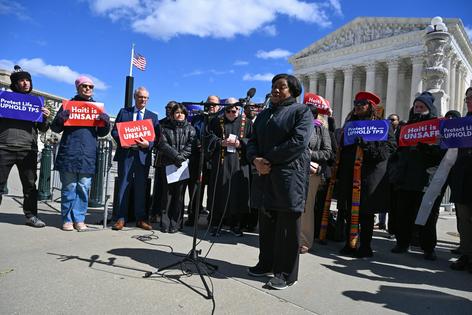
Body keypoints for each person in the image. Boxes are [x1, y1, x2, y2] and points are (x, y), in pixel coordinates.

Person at [246, 73, 313, 290]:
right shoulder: (264, 115)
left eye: (281, 87)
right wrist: (255, 159)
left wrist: (268, 159)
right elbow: (252, 140)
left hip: (288, 177)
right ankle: (266, 263)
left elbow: (298, 142)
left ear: (293, 90)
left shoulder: (301, 111)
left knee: (287, 228)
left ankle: (286, 274)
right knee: (266, 224)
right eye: (274, 86)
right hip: (264, 175)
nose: (276, 90)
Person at [335, 92, 396, 258]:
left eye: (362, 103)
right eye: (356, 102)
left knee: (366, 213)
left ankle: (365, 246)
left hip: (369, 175)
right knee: (349, 211)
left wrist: (368, 147)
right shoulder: (350, 125)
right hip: (350, 173)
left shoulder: (382, 125)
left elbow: (389, 149)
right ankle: (351, 243)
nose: (358, 106)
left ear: (370, 106)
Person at [51, 76, 111, 231]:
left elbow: (102, 133)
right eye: (84, 86)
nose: (87, 89)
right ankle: (67, 219)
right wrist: (60, 119)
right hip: (69, 152)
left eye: (90, 86)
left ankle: (79, 219)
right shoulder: (68, 105)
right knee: (69, 187)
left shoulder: (97, 107)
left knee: (83, 188)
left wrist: (106, 123)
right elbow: (55, 128)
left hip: (87, 154)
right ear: (77, 87)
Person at [390, 91, 444, 260]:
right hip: (406, 177)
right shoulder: (406, 127)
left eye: (422, 107)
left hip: (425, 177)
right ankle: (402, 242)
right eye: (416, 106)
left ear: (429, 108)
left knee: (427, 214)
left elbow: (441, 151)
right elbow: (398, 149)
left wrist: (426, 149)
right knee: (403, 212)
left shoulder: (436, 126)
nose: (418, 109)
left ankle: (428, 247)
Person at [0, 65, 50, 227]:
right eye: (22, 80)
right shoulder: (4, 100)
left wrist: (45, 117)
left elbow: (42, 129)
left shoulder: (36, 103)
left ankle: (31, 216)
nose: (26, 83)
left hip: (27, 150)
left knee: (30, 187)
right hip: (4, 147)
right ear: (15, 83)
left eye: (28, 80)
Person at [111, 87, 159, 231]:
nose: (143, 100)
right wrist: (122, 141)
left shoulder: (153, 116)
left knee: (140, 187)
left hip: (142, 156)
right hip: (126, 155)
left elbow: (156, 138)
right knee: (123, 185)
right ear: (134, 97)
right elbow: (114, 131)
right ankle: (121, 218)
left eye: (145, 98)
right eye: (140, 97)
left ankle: (140, 218)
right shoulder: (124, 112)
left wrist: (148, 144)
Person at [206, 98, 252, 236]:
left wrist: (241, 143)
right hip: (221, 163)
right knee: (218, 193)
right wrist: (220, 142)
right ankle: (216, 224)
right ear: (224, 109)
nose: (232, 113)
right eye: (228, 110)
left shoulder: (248, 123)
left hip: (239, 164)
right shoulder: (215, 121)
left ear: (239, 110)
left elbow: (254, 141)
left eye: (234, 110)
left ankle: (235, 225)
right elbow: (208, 137)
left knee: (238, 194)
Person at [299, 96, 333, 254]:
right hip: (295, 171)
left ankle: (304, 241)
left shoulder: (321, 130)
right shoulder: (296, 128)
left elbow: (327, 153)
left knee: (307, 207)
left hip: (312, 173)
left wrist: (308, 154)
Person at [156, 103, 196, 233]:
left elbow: (191, 145)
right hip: (167, 164)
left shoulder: (191, 129)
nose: (179, 115)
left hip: (182, 166)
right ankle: (165, 223)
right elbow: (162, 144)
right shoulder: (164, 128)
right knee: (166, 195)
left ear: (185, 114)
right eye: (177, 112)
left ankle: (176, 224)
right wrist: (175, 156)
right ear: (173, 114)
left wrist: (180, 157)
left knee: (179, 196)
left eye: (182, 113)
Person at [185, 95, 221, 227]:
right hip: (197, 159)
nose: (210, 106)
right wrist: (198, 143)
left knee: (214, 192)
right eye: (208, 104)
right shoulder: (197, 118)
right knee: (195, 190)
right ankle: (192, 217)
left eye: (213, 104)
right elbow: (192, 135)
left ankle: (212, 220)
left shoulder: (221, 119)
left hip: (214, 161)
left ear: (218, 106)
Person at [449, 87, 472, 272]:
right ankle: (466, 254)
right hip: (463, 178)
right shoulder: (461, 124)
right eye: (467, 98)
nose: (469, 101)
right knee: (464, 220)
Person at [150, 101, 178, 223]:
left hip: (174, 160)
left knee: (170, 191)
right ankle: (155, 213)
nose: (168, 110)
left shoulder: (179, 123)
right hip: (161, 159)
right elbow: (155, 140)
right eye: (167, 107)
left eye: (171, 108)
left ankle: (167, 214)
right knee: (158, 188)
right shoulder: (160, 123)